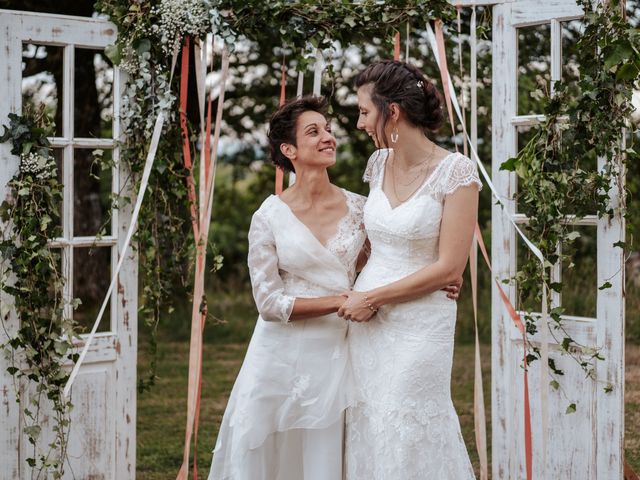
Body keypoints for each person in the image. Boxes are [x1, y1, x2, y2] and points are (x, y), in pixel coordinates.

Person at [208, 96, 367, 480]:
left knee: (324, 457)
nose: (328, 136)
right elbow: (268, 303)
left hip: (339, 354)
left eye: (328, 129)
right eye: (314, 131)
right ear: (289, 150)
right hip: (280, 358)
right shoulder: (268, 216)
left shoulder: (362, 208)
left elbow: (379, 268)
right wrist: (338, 302)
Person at [340, 60, 480, 479]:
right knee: (369, 418)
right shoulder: (377, 165)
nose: (359, 122)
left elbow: (449, 267)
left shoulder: (457, 172)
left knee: (407, 419)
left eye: (365, 111)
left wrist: (373, 297)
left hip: (420, 321)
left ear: (393, 112)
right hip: (366, 324)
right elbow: (373, 240)